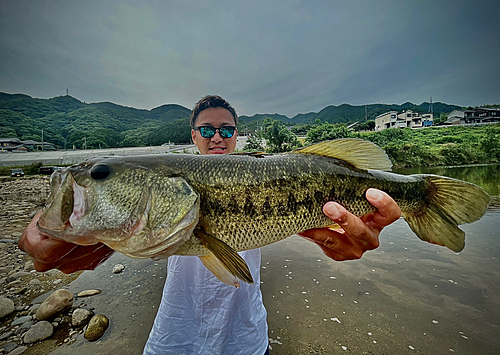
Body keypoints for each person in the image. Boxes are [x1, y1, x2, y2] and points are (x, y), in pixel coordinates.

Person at [19, 95, 401, 354]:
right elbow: (50, 241)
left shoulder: (264, 170)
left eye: (226, 129)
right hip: (174, 339)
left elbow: (326, 228)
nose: (216, 136)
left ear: (237, 135)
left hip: (246, 341)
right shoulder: (159, 193)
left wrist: (348, 241)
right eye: (206, 130)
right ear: (193, 137)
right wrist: (51, 231)